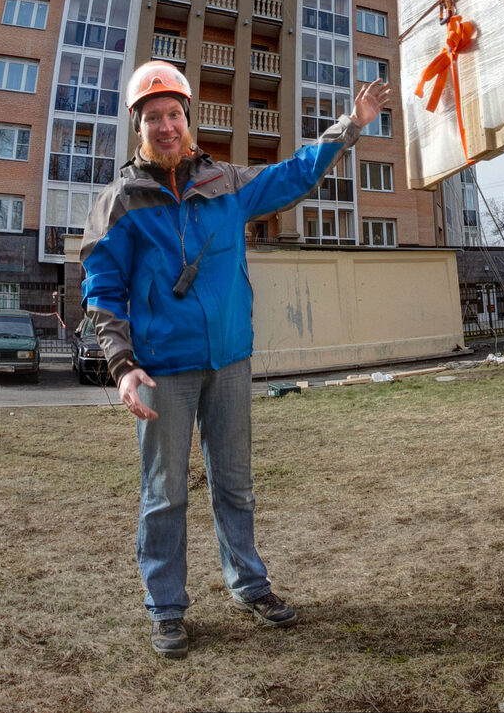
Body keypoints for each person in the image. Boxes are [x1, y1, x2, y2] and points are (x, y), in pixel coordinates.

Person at [81, 61, 390, 659]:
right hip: (162, 369)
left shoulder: (226, 182)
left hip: (229, 361)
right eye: (153, 117)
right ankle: (166, 608)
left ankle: (250, 585)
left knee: (235, 486)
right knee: (165, 493)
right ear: (137, 127)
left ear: (188, 119)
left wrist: (352, 124)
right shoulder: (119, 201)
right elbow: (101, 285)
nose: (165, 126)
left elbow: (295, 175)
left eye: (174, 114)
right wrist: (122, 366)